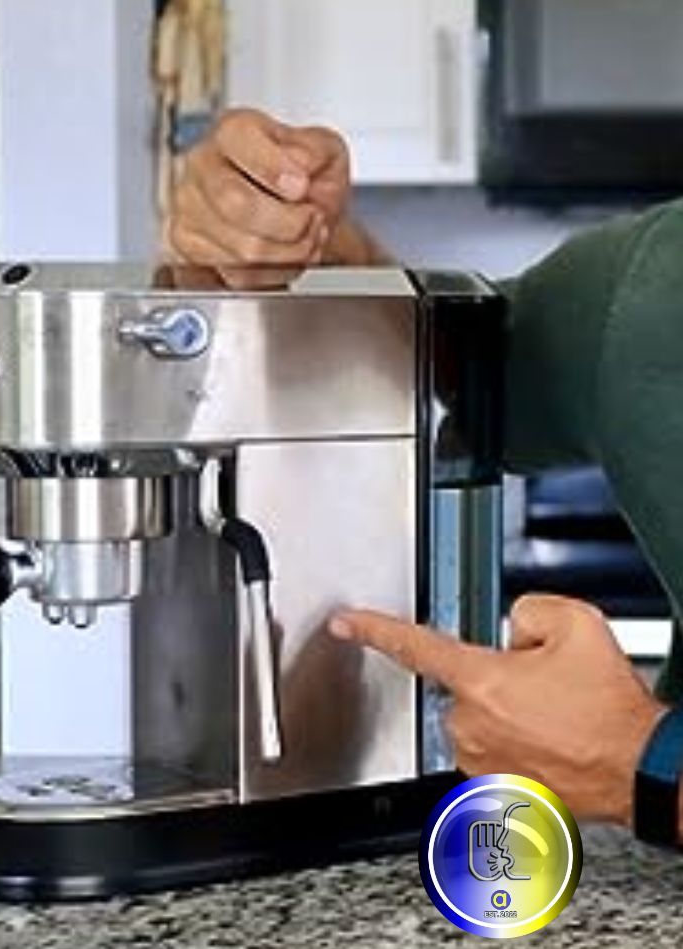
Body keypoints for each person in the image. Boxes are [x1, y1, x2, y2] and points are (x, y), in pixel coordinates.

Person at [165, 107, 683, 841]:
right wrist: (298, 239)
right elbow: (441, 373)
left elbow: (634, 762)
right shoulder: (654, 288)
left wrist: (642, 763)